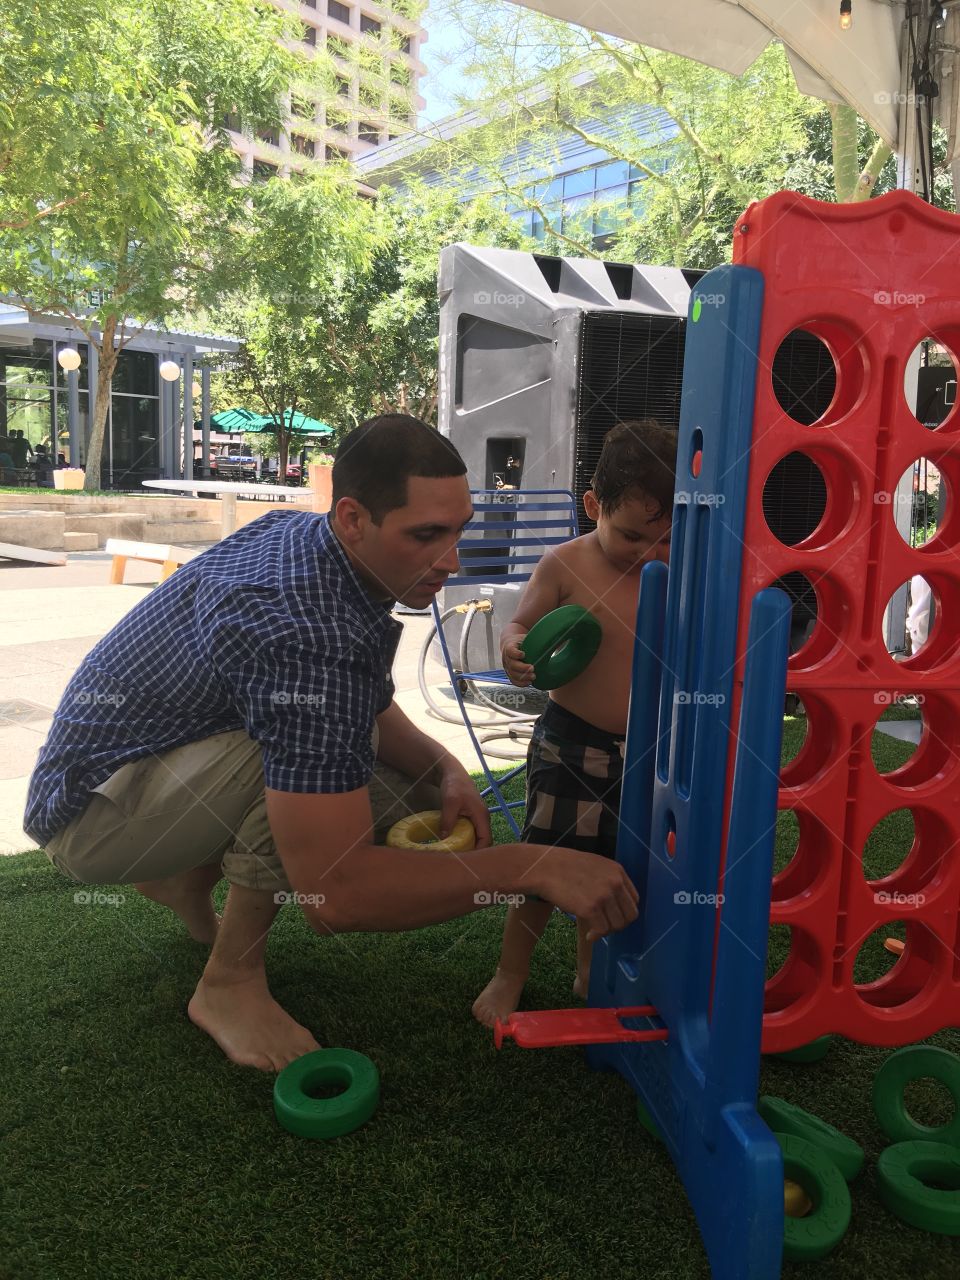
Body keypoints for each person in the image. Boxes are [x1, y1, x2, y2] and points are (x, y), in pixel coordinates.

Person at [25, 414, 638, 1072]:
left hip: (134, 776)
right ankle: (229, 985)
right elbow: (337, 896)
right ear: (352, 518)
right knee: (313, 760)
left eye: (459, 530)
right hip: (92, 817)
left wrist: (448, 768)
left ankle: (181, 878)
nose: (451, 560)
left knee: (400, 784)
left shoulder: (317, 542)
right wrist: (536, 865)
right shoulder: (300, 630)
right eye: (426, 535)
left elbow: (363, 698)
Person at [472, 419, 676, 1027]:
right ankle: (511, 972)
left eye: (666, 539)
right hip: (573, 744)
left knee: (613, 872)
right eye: (634, 536)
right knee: (546, 864)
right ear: (593, 506)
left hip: (647, 751)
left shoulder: (673, 576)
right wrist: (514, 649)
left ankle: (591, 972)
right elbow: (519, 626)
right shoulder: (565, 564)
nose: (649, 553)